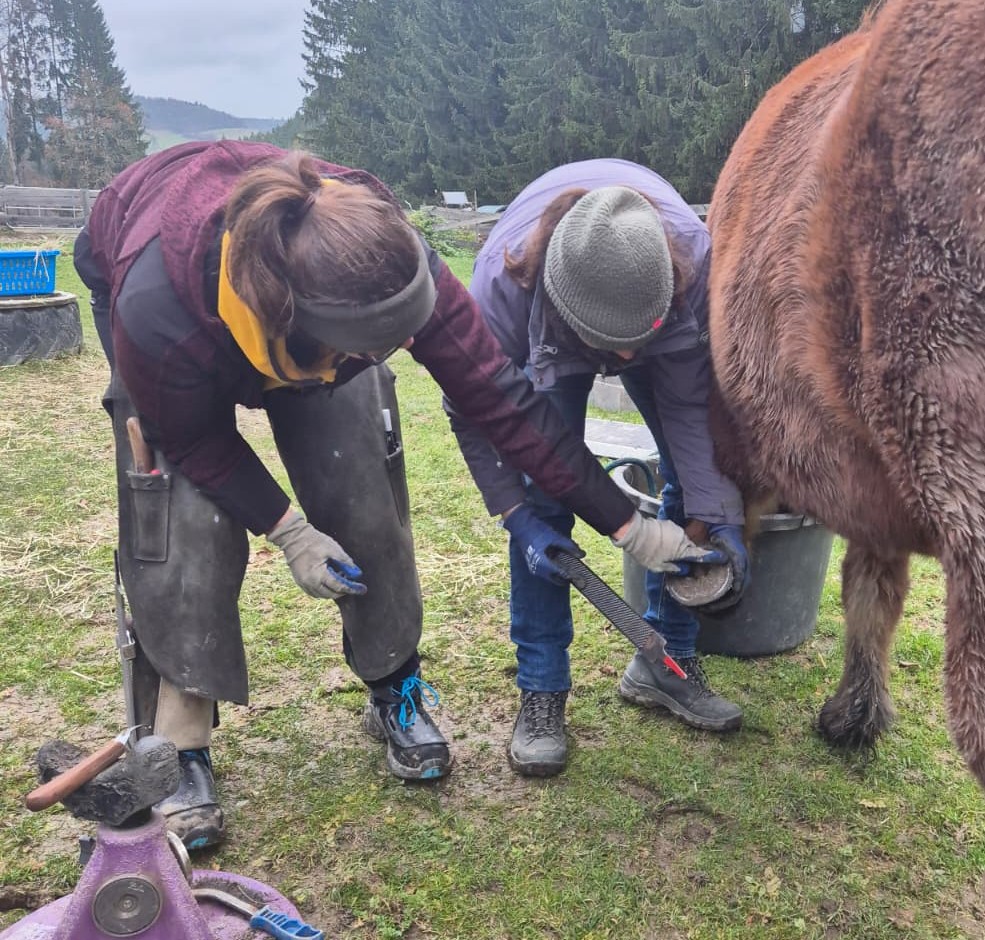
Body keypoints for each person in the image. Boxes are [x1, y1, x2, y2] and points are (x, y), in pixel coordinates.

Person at [72, 141, 724, 849]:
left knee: (361, 483)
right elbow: (199, 443)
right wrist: (288, 530)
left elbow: (504, 402)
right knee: (183, 519)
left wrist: (630, 527)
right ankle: (182, 734)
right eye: (372, 353)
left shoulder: (388, 256)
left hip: (320, 319)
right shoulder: (157, 315)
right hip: (168, 289)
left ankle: (394, 682)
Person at [450, 159, 749, 778]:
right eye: (615, 348)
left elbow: (691, 410)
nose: (628, 360)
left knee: (689, 481)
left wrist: (720, 518)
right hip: (555, 334)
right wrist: (514, 513)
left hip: (651, 306)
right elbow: (471, 412)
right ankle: (541, 689)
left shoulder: (694, 260)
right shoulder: (500, 295)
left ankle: (666, 666)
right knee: (542, 496)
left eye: (637, 344)